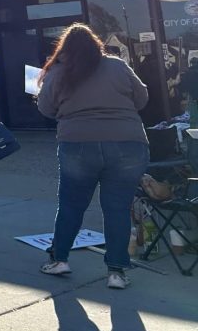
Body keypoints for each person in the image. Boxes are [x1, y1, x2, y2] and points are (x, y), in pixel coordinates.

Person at [36, 23, 150, 290]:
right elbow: (142, 97)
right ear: (96, 44)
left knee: (71, 206)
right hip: (127, 142)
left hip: (78, 143)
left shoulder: (58, 71)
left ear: (65, 48)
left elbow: (45, 107)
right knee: (117, 209)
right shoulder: (117, 65)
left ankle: (60, 259)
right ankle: (117, 271)